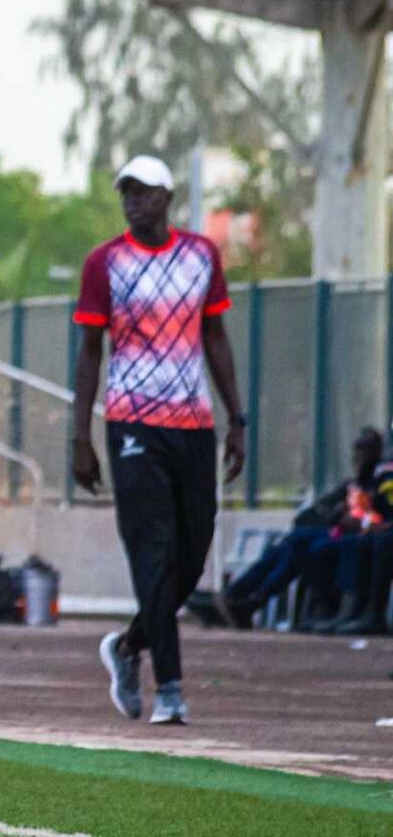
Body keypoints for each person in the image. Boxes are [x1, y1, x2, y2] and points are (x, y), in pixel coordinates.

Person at [72, 155, 246, 727]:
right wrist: (81, 436)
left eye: (143, 192)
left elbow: (215, 337)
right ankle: (170, 689)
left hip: (193, 425)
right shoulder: (105, 263)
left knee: (191, 557)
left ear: (167, 198)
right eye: (126, 193)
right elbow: (89, 353)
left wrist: (237, 420)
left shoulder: (201, 256)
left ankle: (128, 647)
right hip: (132, 424)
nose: (133, 202)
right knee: (154, 554)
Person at [222, 428, 382, 627]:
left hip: (360, 538)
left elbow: (379, 518)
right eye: (357, 450)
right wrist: (338, 513)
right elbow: (318, 513)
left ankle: (251, 601)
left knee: (301, 548)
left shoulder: (381, 484)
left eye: (365, 450)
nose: (358, 456)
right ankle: (237, 596)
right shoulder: (351, 485)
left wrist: (361, 521)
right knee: (294, 542)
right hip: (336, 533)